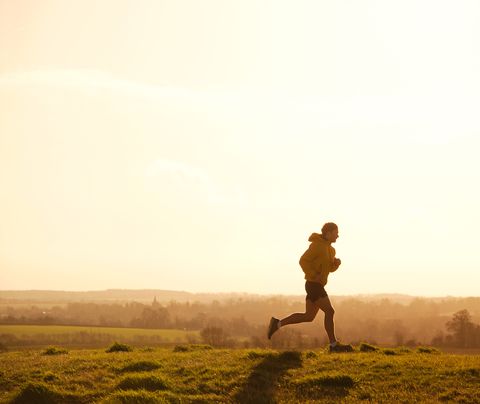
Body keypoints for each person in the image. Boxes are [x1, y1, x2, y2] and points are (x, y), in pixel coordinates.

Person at [267, 222, 353, 352]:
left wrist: (335, 264)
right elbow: (303, 260)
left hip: (317, 285)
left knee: (308, 316)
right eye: (336, 233)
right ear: (328, 233)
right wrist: (313, 274)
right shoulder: (317, 245)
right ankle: (334, 345)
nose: (338, 236)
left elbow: (328, 269)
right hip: (313, 285)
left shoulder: (331, 249)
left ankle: (277, 324)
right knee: (330, 311)